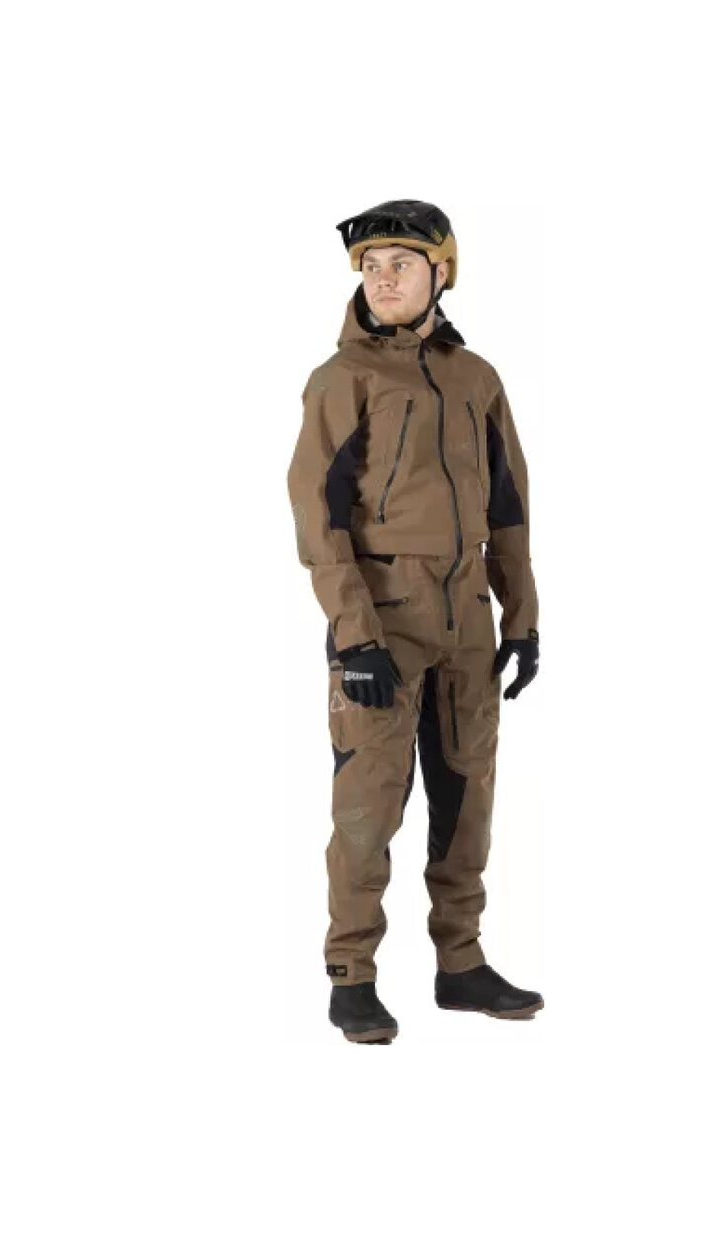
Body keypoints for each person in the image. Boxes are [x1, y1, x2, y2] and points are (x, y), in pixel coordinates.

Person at [287, 200, 543, 1044]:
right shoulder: (342, 379)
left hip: (467, 618)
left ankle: (460, 963)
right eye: (371, 266)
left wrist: (521, 617)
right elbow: (318, 517)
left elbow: (508, 504)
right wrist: (354, 634)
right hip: (381, 619)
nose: (383, 278)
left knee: (467, 798)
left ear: (443, 270)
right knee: (368, 806)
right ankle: (351, 973)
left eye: (401, 262)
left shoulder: (477, 379)